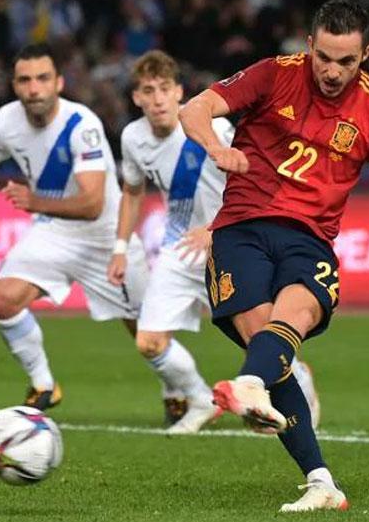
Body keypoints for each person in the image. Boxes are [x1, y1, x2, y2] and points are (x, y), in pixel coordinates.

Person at [179, 0, 369, 512]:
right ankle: (322, 482)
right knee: (273, 351)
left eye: (347, 62)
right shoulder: (274, 74)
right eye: (325, 58)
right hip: (241, 230)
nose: (333, 72)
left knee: (286, 324)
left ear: (366, 54)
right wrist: (215, 146)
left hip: (310, 240)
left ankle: (252, 390)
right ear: (310, 44)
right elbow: (194, 108)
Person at [110, 49, 321, 434]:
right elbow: (133, 192)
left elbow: (253, 181)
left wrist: (214, 229)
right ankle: (197, 398)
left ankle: (300, 381)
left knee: (259, 339)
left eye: (164, 89)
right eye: (147, 90)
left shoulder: (215, 132)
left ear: (179, 93)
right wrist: (121, 248)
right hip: (180, 248)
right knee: (149, 341)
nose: (157, 99)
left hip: (228, 243)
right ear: (136, 97)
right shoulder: (132, 138)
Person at [0, 43, 149, 413]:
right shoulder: (6, 121)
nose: (33, 88)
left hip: (105, 235)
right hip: (54, 231)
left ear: (59, 83)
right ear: (14, 85)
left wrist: (36, 202)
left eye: (42, 79)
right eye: (24, 80)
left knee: (148, 337)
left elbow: (92, 203)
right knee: (4, 299)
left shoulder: (81, 124)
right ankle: (43, 385)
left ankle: (183, 392)